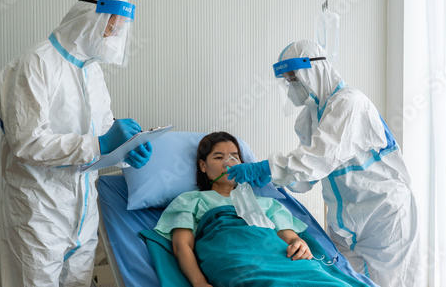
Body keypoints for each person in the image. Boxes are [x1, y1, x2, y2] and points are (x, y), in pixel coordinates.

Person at [227, 40, 421, 287]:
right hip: (344, 222)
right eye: (287, 81)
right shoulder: (308, 117)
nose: (291, 86)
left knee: (392, 283)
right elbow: (308, 175)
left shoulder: (349, 103)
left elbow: (317, 158)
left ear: (313, 70)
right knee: (346, 282)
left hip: (383, 215)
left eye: (293, 78)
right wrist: (273, 179)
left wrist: (266, 168)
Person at [0, 0, 152, 286]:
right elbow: (27, 144)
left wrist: (125, 152)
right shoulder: (38, 62)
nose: (113, 36)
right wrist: (102, 143)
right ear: (88, 17)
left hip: (83, 212)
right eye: (110, 28)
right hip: (39, 211)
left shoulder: (93, 72)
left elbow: (103, 130)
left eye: (118, 30)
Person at [154, 132, 371, 287]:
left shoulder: (266, 203)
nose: (228, 163)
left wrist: (300, 244)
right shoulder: (191, 200)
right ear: (203, 166)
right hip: (235, 259)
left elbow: (290, 238)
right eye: (218, 157)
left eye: (234, 157)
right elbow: (181, 246)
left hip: (281, 258)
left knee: (322, 279)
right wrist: (199, 282)